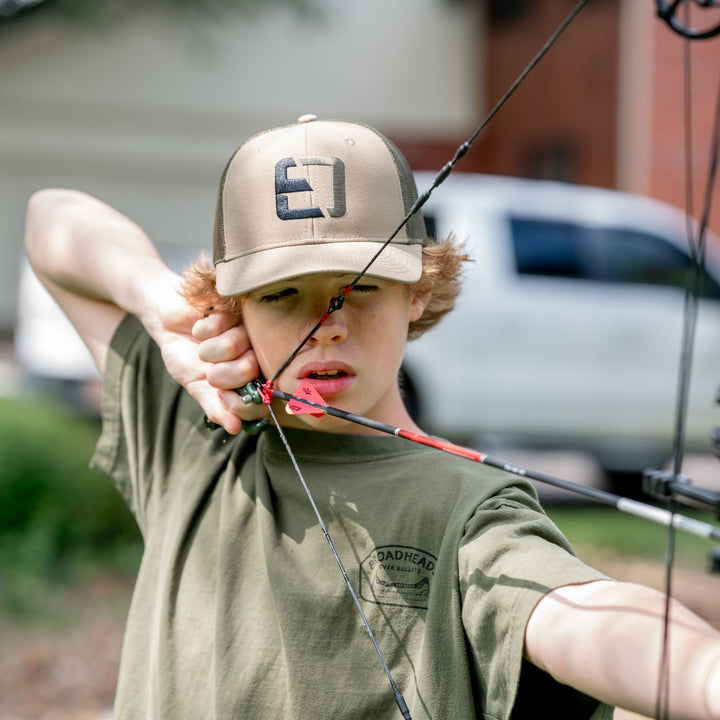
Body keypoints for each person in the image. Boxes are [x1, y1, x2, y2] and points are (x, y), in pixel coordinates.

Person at [24, 114, 720, 720]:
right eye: (282, 294)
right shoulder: (194, 434)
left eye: (360, 288)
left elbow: (574, 616)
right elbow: (49, 218)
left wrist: (705, 676)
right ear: (232, 307)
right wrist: (159, 305)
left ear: (417, 291)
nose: (327, 326)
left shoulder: (471, 513)